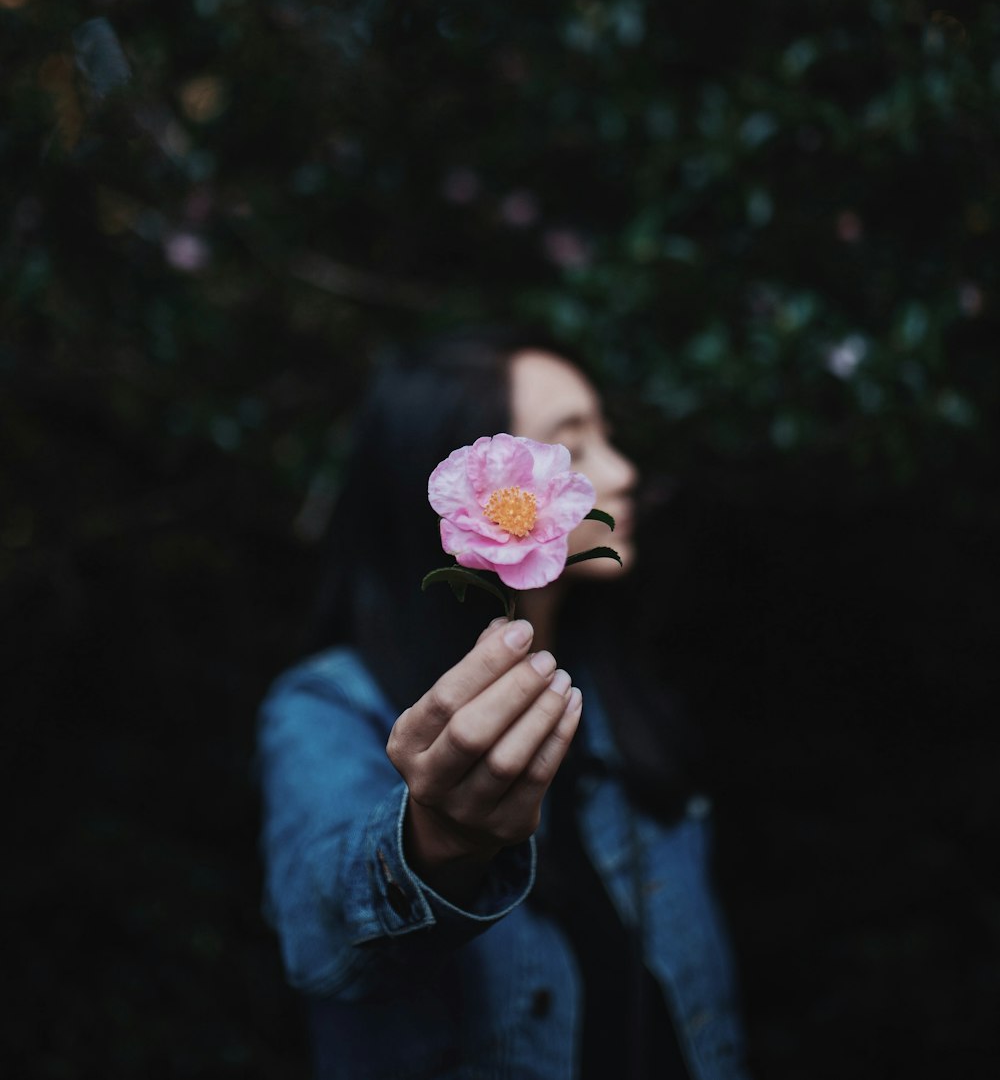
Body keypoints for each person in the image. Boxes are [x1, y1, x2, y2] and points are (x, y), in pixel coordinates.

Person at [257, 330, 751, 1080]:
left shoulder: (613, 696)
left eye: (606, 437)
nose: (620, 472)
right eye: (573, 446)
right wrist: (433, 842)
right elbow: (319, 930)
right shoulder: (326, 710)